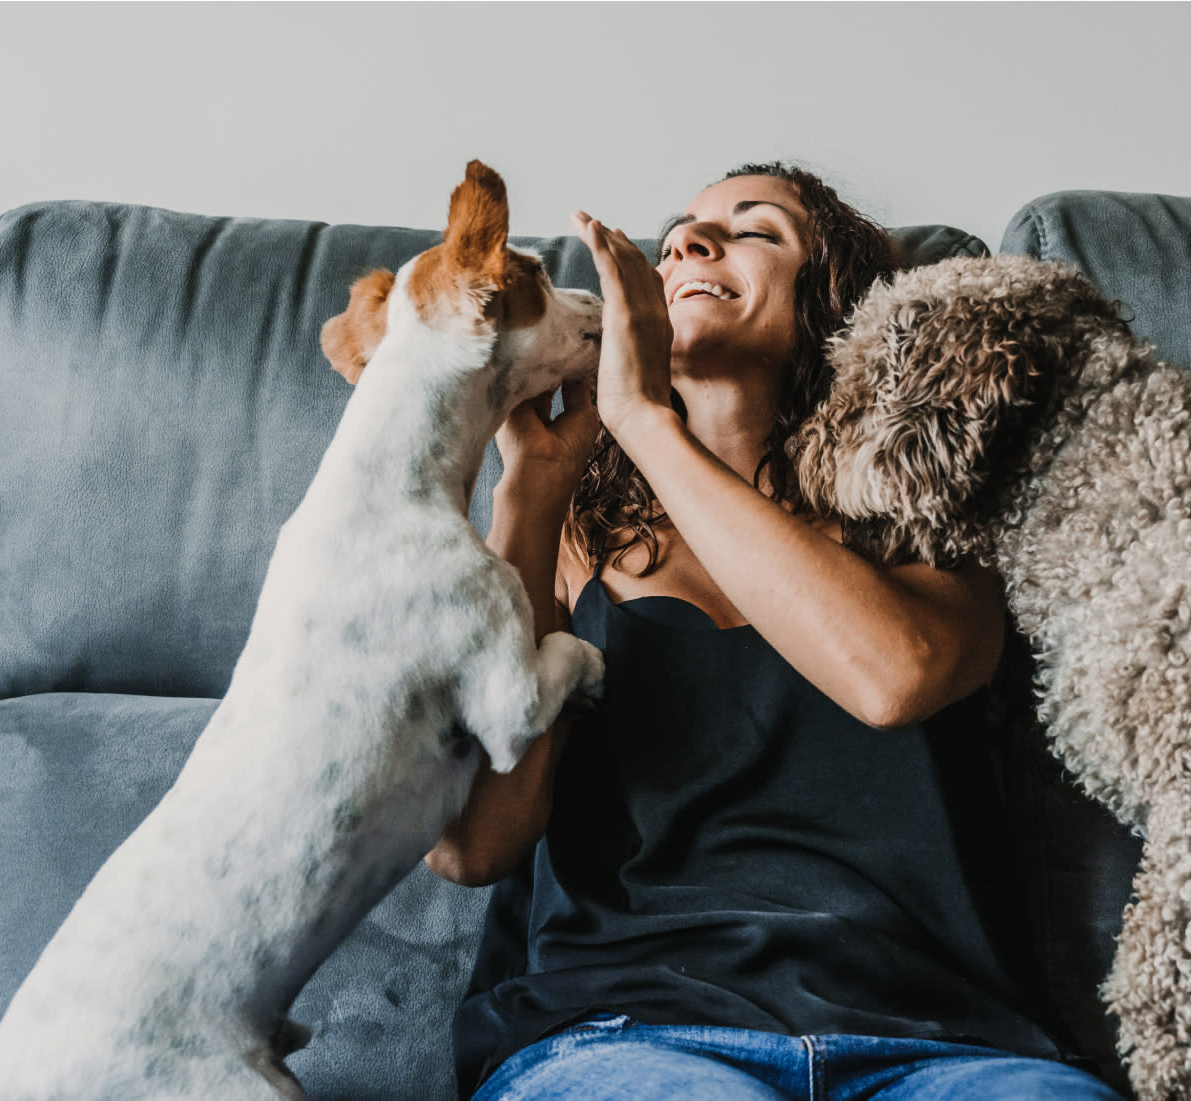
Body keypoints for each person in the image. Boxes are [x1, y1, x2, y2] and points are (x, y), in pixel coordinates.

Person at [427, 164, 1124, 1101]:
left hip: (946, 1047)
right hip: (625, 1031)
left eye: (754, 230)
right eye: (681, 232)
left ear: (834, 299)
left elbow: (894, 677)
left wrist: (641, 421)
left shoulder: (928, 511)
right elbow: (472, 844)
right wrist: (537, 486)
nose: (686, 245)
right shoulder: (574, 541)